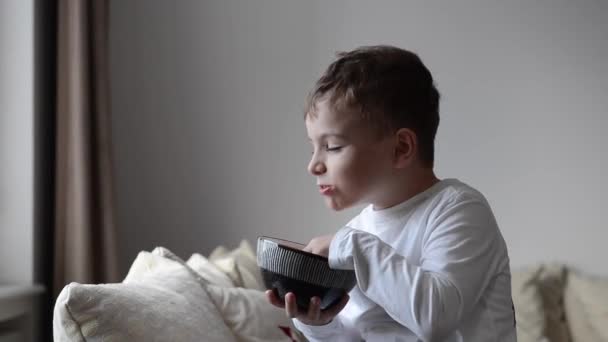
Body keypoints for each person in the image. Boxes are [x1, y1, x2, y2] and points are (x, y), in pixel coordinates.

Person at [266, 45, 516, 341]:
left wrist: (350, 247)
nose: (313, 165)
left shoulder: (459, 209)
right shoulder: (357, 234)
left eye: (332, 146)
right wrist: (321, 323)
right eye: (312, 148)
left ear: (401, 149)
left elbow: (435, 318)